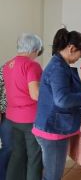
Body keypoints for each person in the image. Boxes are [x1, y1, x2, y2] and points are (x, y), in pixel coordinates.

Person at [32, 28, 81, 180]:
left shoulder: (59, 64)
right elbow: (63, 100)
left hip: (51, 125)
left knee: (50, 174)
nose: (80, 58)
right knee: (53, 176)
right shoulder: (58, 68)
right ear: (72, 48)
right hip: (53, 129)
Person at [3, 33, 43, 180]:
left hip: (12, 117)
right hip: (29, 119)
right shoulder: (32, 65)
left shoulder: (8, 65)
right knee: (34, 157)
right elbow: (35, 94)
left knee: (17, 155)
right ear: (34, 49)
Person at [0, 65, 11, 180]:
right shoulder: (5, 69)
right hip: (6, 113)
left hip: (21, 114)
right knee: (8, 147)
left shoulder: (33, 68)